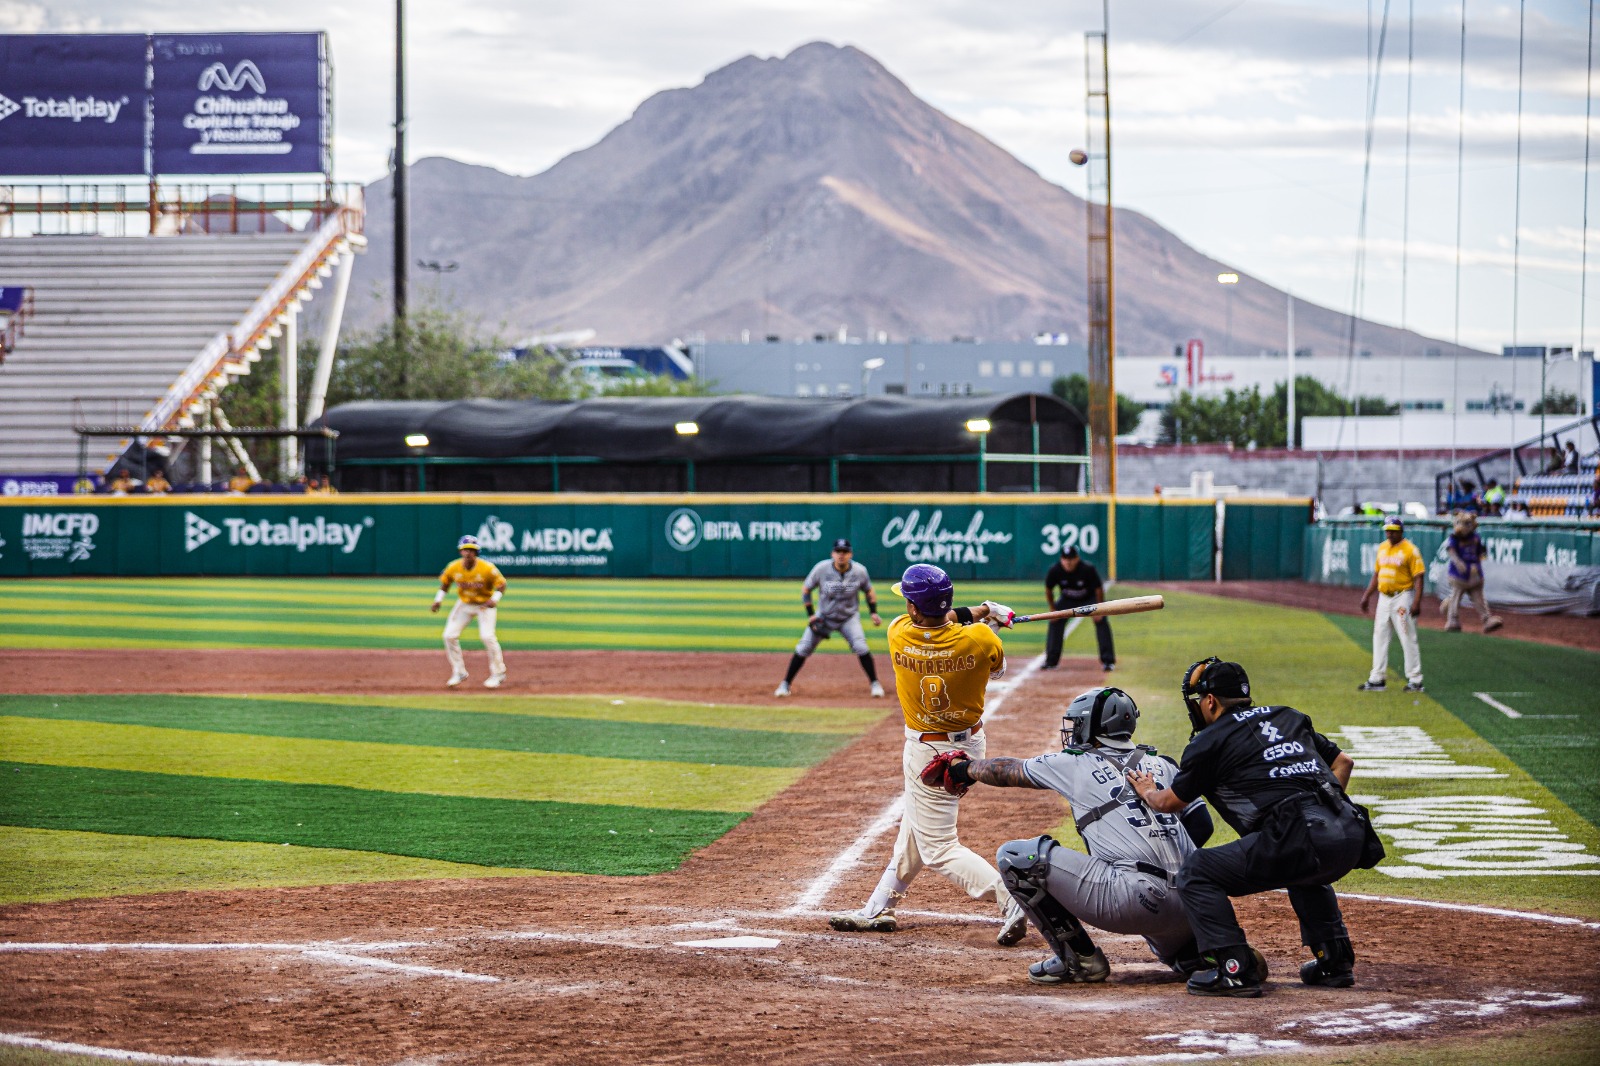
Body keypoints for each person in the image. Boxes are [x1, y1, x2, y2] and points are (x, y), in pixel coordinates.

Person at [918, 686, 1214, 985]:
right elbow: (1202, 826)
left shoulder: (1074, 762)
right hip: (1194, 900)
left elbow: (1008, 770)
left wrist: (962, 769)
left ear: (1091, 726)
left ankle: (1079, 961)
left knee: (1018, 858)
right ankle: (1193, 954)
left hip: (1131, 902)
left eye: (1077, 723)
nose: (1073, 730)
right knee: (1175, 940)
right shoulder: (1164, 765)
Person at [1126, 658, 1379, 998]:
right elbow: (1343, 762)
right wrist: (1321, 813)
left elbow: (1171, 802)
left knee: (1197, 871)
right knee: (1304, 868)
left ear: (1210, 701)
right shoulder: (1288, 717)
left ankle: (1234, 969)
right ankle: (1334, 962)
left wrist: (1147, 791)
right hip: (1350, 833)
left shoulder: (1209, 742)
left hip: (1299, 839)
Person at [828, 563, 1028, 946]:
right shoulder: (980, 639)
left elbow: (941, 621)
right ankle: (878, 908)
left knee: (938, 847)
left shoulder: (897, 632)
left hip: (928, 752)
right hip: (968, 748)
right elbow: (995, 669)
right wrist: (990, 618)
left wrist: (982, 611)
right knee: (914, 832)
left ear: (914, 608)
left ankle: (1012, 898)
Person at [774, 539, 884, 699]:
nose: (841, 555)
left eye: (845, 552)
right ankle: (785, 684)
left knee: (861, 646)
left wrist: (873, 612)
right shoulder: (821, 569)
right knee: (803, 647)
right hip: (824, 617)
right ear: (832, 553)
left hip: (848, 618)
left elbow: (869, 591)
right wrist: (811, 615)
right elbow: (806, 590)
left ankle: (875, 683)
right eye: (838, 551)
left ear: (850, 554)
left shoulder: (860, 571)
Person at [430, 534, 508, 688]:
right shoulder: (453, 567)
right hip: (464, 604)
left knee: (487, 637)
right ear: (460, 551)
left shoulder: (487, 568)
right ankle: (459, 671)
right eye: (465, 549)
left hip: (484, 605)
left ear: (476, 552)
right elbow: (445, 584)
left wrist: (495, 599)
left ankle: (498, 673)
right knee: (449, 635)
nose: (468, 552)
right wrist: (438, 600)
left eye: (471, 550)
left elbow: (502, 585)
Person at [1358, 516, 1425, 693]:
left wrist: (1417, 601)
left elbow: (1419, 577)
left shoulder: (1410, 550)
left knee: (1407, 635)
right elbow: (1377, 574)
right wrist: (1367, 596)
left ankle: (1415, 679)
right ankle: (1377, 678)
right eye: (1388, 530)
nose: (1390, 534)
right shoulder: (1382, 548)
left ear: (1401, 531)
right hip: (1384, 598)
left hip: (1402, 596)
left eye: (1393, 531)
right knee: (1379, 635)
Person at [1042, 546, 1115, 672]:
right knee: (1055, 620)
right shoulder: (1055, 570)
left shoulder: (1087, 569)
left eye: (1071, 559)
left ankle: (1108, 661)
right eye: (1065, 559)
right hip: (1067, 600)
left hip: (1088, 598)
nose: (1068, 562)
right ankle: (1051, 661)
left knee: (1101, 621)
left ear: (1077, 559)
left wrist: (1100, 609)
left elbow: (1098, 589)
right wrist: (1053, 609)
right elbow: (1048, 589)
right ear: (1061, 559)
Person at [1441, 512, 1503, 634]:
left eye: (1467, 524)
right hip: (1458, 575)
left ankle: (1487, 619)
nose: (1463, 527)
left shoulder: (1475, 538)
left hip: (1475, 575)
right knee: (1456, 597)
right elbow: (1451, 551)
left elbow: (1480, 552)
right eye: (1460, 523)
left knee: (1479, 598)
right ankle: (1452, 620)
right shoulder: (1454, 538)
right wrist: (1458, 562)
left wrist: (1480, 563)